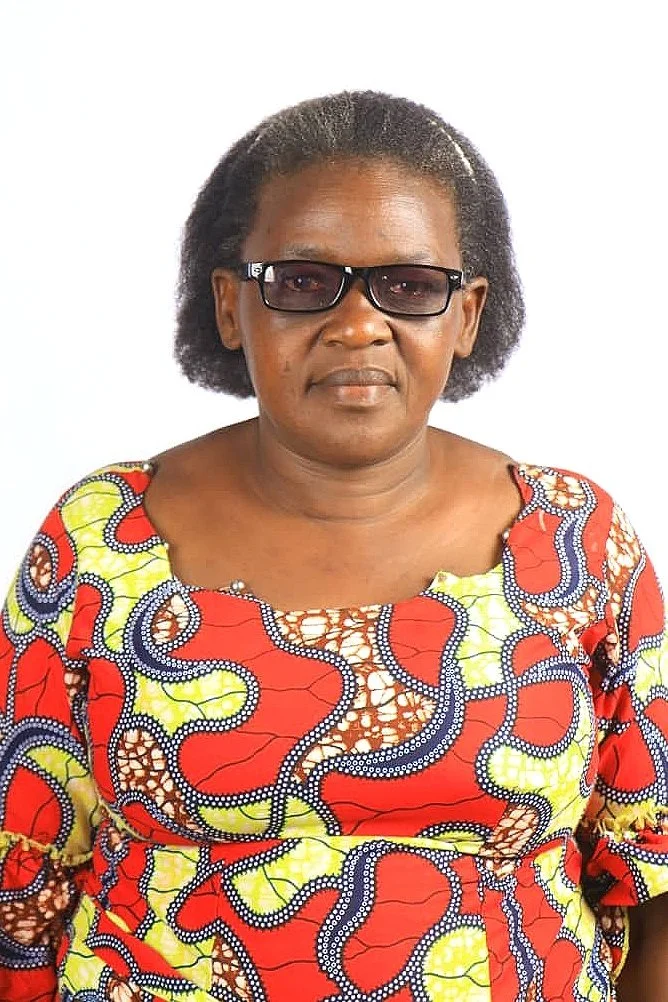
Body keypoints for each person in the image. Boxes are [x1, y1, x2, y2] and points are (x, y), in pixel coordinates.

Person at [1, 90, 666, 1002]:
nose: (357, 325)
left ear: (466, 315)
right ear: (234, 307)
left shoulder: (578, 540)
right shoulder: (97, 540)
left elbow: (655, 867)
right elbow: (19, 880)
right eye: (303, 282)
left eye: (410, 286)